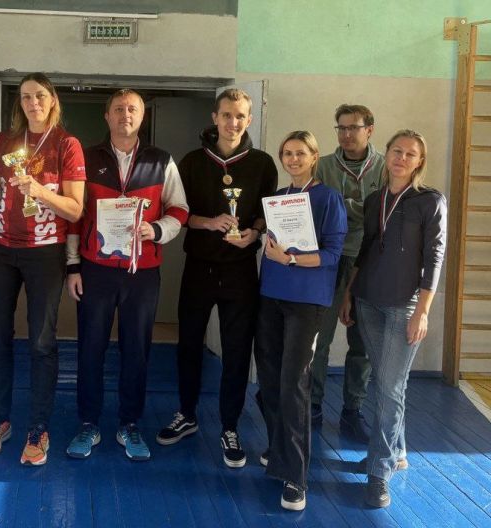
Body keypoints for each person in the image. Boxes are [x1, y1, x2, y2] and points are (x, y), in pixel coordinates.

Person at [65, 89, 188, 461]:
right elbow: (74, 215)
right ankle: (88, 423)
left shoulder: (161, 160)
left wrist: (158, 229)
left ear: (142, 116)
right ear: (107, 116)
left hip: (142, 273)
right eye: (118, 109)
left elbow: (179, 209)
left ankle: (129, 424)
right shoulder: (86, 158)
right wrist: (73, 265)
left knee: (137, 350)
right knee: (91, 348)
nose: (125, 115)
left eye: (132, 109)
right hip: (96, 270)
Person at [158, 89, 277, 469]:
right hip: (199, 267)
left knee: (237, 351)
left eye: (240, 116)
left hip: (240, 270)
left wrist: (254, 233)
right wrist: (209, 222)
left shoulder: (263, 163)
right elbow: (178, 213)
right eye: (226, 115)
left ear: (249, 119)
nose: (233, 122)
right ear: (215, 117)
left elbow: (266, 214)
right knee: (189, 345)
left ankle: (230, 426)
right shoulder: (193, 162)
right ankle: (187, 413)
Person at [0, 73, 85, 466]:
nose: (32, 103)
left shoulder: (67, 144)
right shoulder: (5, 141)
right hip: (0, 248)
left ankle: (38, 426)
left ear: (52, 99)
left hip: (45, 252)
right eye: (25, 97)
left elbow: (75, 210)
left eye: (39, 95)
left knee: (41, 342)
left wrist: (38, 191)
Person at [339, 130, 446, 508]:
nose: (402, 158)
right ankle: (396, 451)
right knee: (387, 385)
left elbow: (434, 258)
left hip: (404, 305)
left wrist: (423, 310)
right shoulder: (375, 199)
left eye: (410, 154)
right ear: (386, 155)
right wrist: (349, 292)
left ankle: (379, 471)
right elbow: (366, 249)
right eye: (397, 151)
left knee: (389, 387)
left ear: (420, 162)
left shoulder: (430, 200)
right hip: (368, 300)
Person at [255, 131, 346, 511]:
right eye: (287, 153)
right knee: (269, 379)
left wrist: (290, 259)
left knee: (294, 384)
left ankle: (296, 477)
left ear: (314, 156)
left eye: (300, 153)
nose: (293, 159)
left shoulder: (329, 198)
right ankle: (280, 449)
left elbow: (333, 254)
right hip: (270, 296)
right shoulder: (278, 198)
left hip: (307, 302)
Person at [311, 104, 384, 441]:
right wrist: (362, 209)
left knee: (362, 344)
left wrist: (344, 206)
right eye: (340, 128)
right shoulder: (322, 165)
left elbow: (383, 215)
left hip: (370, 261)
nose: (346, 134)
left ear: (369, 129)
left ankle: (352, 411)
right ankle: (312, 406)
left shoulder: (385, 166)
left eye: (353, 127)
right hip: (331, 259)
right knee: (319, 339)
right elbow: (318, 210)